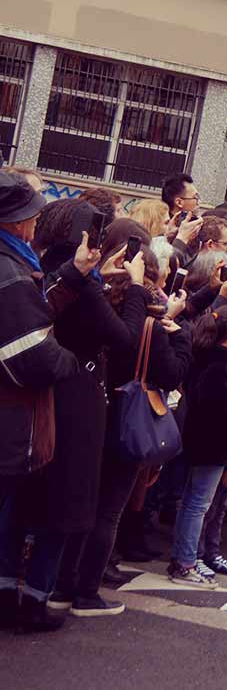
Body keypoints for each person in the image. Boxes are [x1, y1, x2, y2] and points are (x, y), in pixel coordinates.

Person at [51, 222, 192, 618]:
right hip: (127, 424)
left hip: (91, 416)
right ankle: (86, 592)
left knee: (82, 504)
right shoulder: (148, 325)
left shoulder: (93, 304)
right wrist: (178, 332)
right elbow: (171, 373)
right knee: (108, 511)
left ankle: (60, 585)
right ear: (146, 278)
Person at [0, 174, 103, 631]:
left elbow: (35, 306)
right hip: (9, 416)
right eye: (31, 213)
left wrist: (74, 276)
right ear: (15, 221)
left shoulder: (17, 264)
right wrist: (73, 365)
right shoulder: (8, 269)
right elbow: (31, 352)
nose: (36, 220)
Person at [169, 304, 227, 588]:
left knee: (193, 502)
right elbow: (222, 408)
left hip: (200, 440)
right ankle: (185, 563)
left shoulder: (207, 357)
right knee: (198, 504)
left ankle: (184, 558)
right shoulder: (221, 364)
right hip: (212, 444)